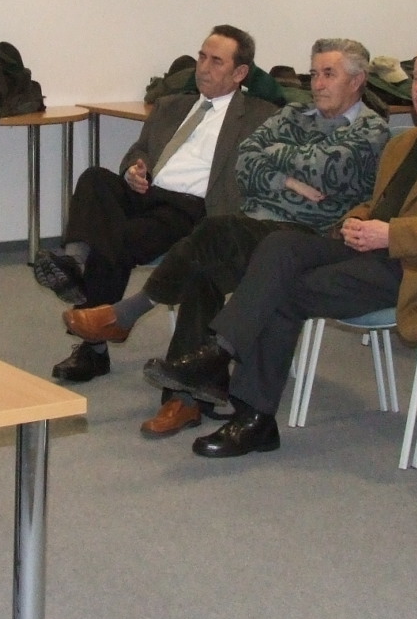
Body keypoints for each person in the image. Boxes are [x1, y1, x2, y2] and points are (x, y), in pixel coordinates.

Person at [146, 42, 417, 459]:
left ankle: (248, 408)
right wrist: (356, 219)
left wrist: (392, 234)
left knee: (282, 290)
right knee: (280, 246)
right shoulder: (404, 142)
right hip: (369, 248)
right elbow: (377, 203)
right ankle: (225, 364)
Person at [63, 40, 386, 436]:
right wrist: (286, 179)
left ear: (357, 80)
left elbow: (325, 170)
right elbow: (245, 160)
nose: (317, 84)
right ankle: (186, 398)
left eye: (328, 74)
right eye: (314, 74)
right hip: (256, 224)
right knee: (204, 271)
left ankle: (130, 313)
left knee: (214, 232)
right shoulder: (294, 113)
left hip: (310, 236)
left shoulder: (372, 130)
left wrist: (275, 161)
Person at [32, 25, 278, 382]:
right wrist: (134, 169)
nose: (203, 67)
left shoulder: (260, 116)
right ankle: (74, 261)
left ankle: (93, 346)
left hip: (191, 208)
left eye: (216, 61)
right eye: (201, 57)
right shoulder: (171, 105)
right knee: (95, 178)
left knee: (115, 237)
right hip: (146, 191)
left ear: (240, 73)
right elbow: (140, 150)